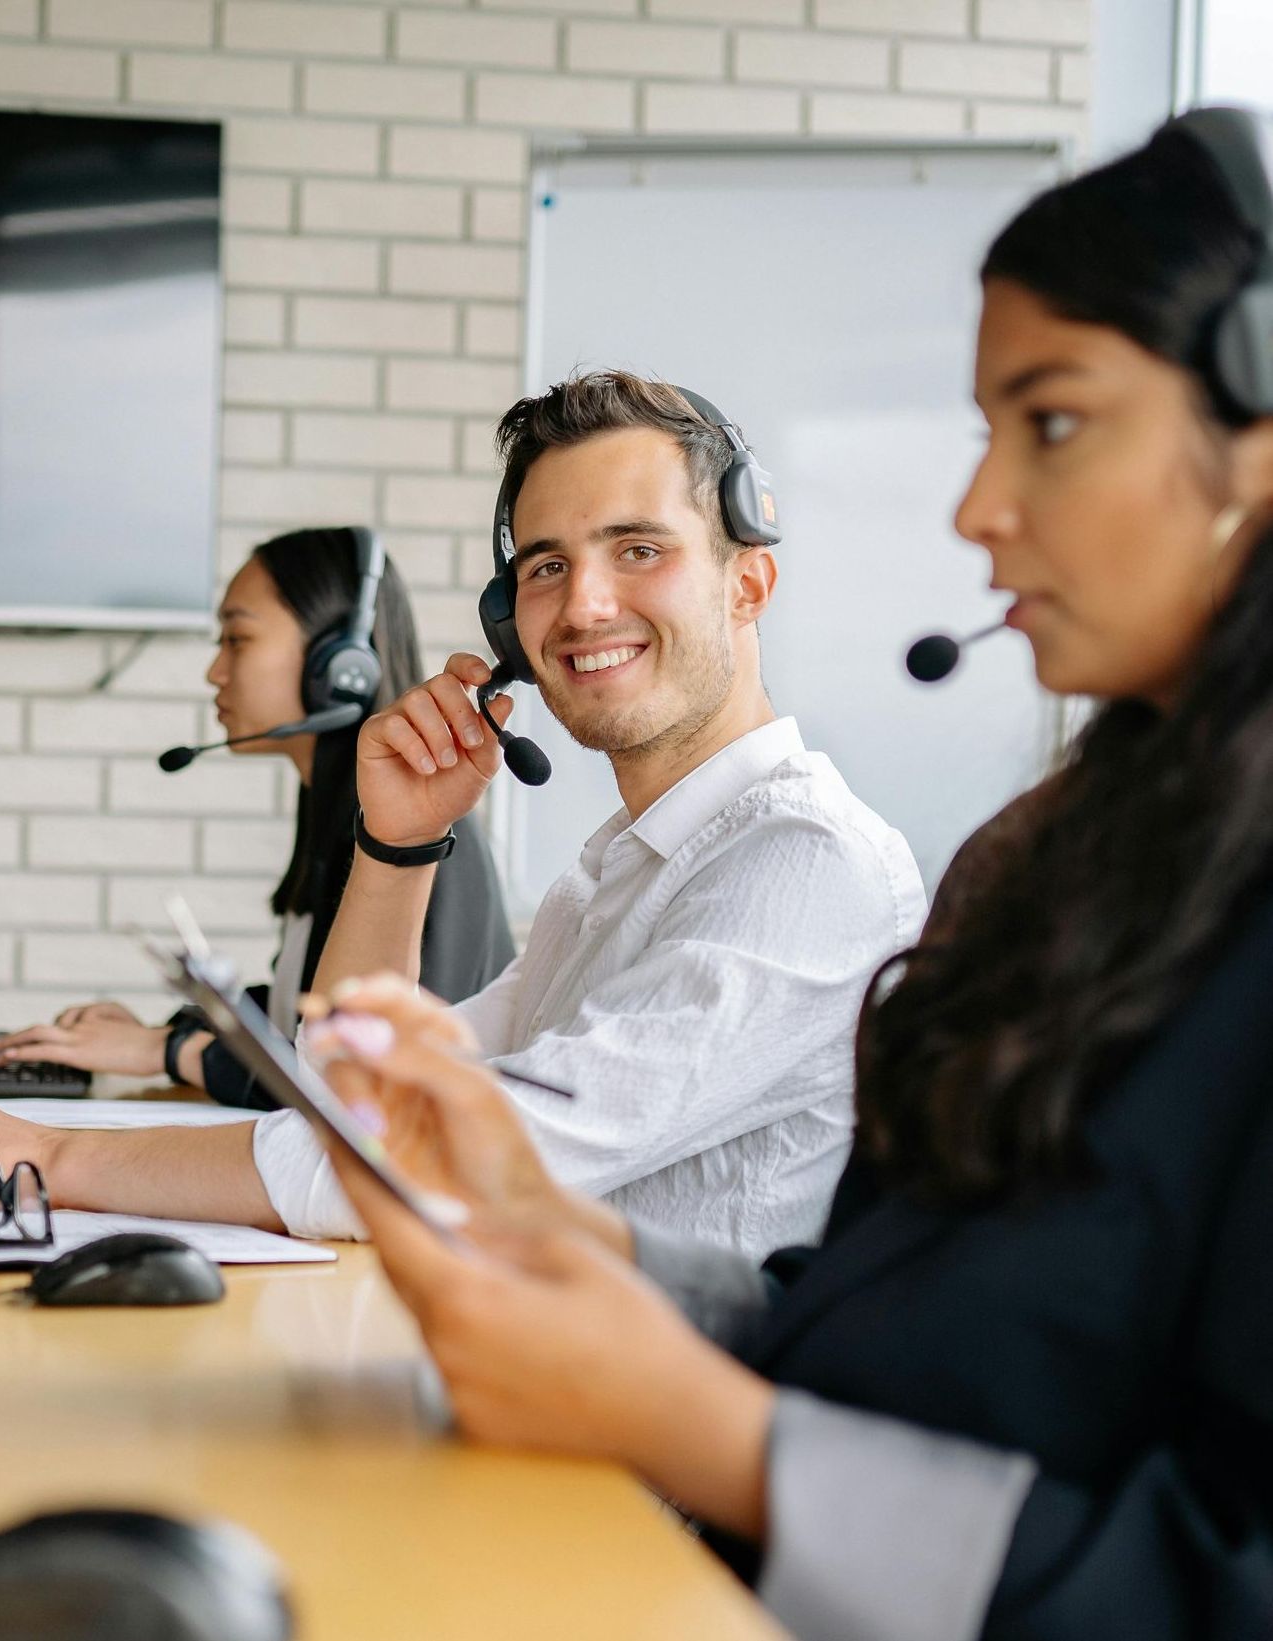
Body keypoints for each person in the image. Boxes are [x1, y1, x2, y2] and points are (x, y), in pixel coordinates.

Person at [284, 110, 1273, 1640]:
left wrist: (710, 1431)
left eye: (1054, 424)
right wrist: (597, 1254)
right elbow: (916, 1324)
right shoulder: (1070, 865)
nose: (974, 509)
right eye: (985, 433)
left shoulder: (831, 864)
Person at [0, 377, 925, 1256]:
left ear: (748, 582)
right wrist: (395, 842)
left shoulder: (803, 862)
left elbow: (428, 1159)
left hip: (636, 1470)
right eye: (545, 566)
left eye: (637, 549)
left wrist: (51, 1153)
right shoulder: (618, 874)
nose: (581, 607)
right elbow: (349, 1099)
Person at [0, 528, 514, 1107]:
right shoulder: (334, 802)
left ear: (341, 667)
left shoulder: (422, 836)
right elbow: (304, 1007)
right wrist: (177, 1029)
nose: (215, 672)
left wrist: (168, 1051)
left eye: (237, 640)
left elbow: (364, 1084)